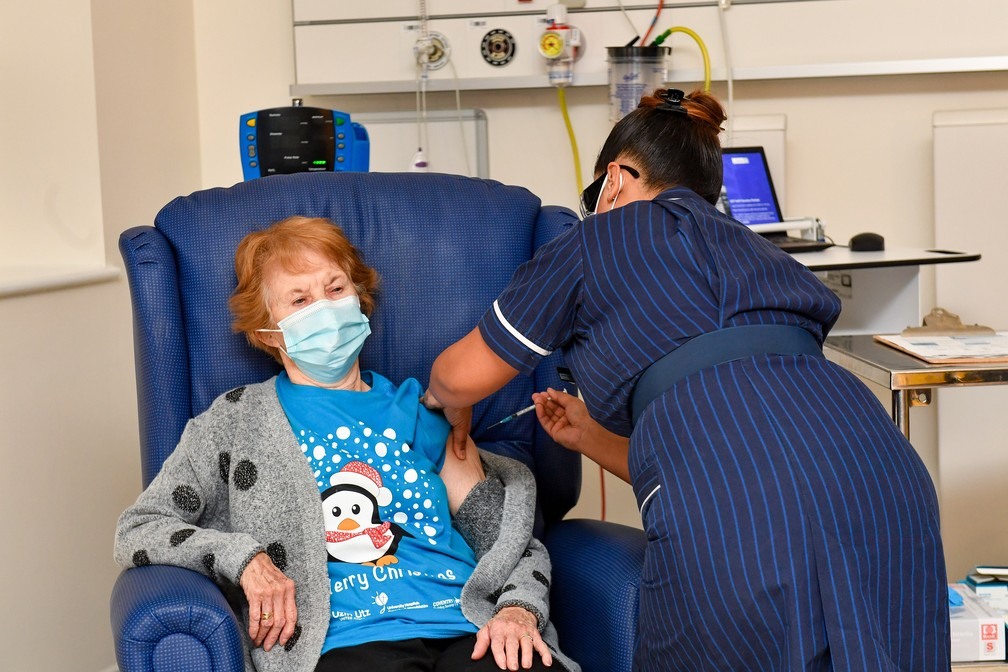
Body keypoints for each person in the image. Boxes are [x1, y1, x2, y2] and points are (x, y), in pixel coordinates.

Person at [424, 89, 949, 671]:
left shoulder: (593, 242)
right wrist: (589, 438)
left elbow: (458, 376)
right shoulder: (758, 249)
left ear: (617, 179)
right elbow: (755, 435)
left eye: (595, 192)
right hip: (881, 477)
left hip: (737, 506)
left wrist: (445, 403)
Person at [114, 216, 578, 672]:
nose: (325, 308)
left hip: (468, 627)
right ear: (265, 332)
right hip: (346, 642)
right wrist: (244, 560)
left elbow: (508, 541)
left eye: (336, 290)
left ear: (360, 299)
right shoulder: (234, 422)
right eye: (300, 299)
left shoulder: (420, 410)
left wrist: (518, 610)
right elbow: (139, 528)